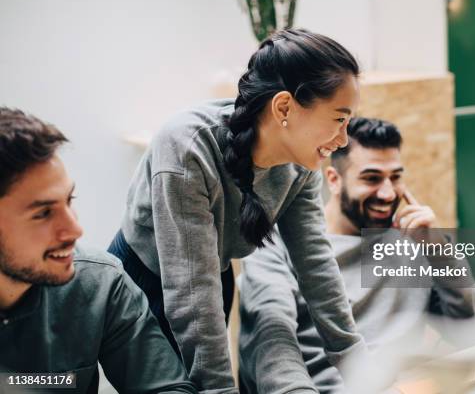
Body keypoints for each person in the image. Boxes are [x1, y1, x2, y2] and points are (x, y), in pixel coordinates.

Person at [108, 28, 365, 392]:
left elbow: (316, 267)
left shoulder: (303, 164)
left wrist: (366, 371)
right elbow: (190, 294)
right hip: (144, 284)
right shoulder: (187, 148)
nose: (343, 139)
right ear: (284, 107)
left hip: (213, 275)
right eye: (339, 119)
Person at [238, 117, 475, 393]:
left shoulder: (413, 243)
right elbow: (269, 354)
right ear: (334, 180)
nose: (387, 192)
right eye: (371, 178)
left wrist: (439, 251)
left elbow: (473, 332)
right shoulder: (277, 246)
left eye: (395, 177)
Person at [0, 108, 196, 393]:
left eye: (69, 200)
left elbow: (167, 388)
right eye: (43, 213)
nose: (75, 230)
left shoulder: (99, 283)